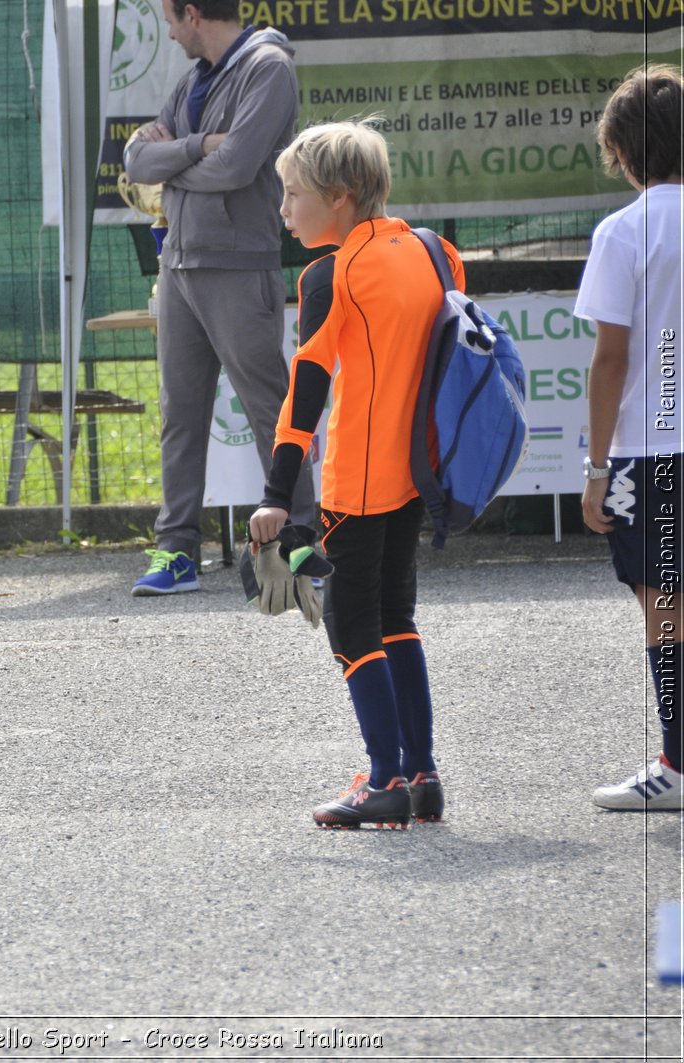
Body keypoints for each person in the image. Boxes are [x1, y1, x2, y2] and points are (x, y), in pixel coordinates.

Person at [249, 120, 463, 830]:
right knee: (396, 617)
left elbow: (305, 391)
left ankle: (383, 779)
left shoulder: (328, 274)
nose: (284, 209)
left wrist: (278, 496)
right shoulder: (436, 254)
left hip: (358, 482)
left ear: (339, 197)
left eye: (293, 193)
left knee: (349, 627)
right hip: (417, 476)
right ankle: (423, 775)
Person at [121, 0, 315, 597]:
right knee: (180, 416)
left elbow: (236, 168)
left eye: (170, 20)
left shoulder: (269, 67)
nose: (170, 32)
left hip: (237, 266)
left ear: (194, 12)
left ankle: (302, 547)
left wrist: (177, 158)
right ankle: (177, 549)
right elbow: (134, 158)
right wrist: (200, 146)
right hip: (177, 266)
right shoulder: (193, 79)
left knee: (271, 412)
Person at [576, 65, 684, 811]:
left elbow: (610, 359)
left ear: (621, 151)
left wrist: (594, 465)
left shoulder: (624, 231)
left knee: (664, 603)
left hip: (652, 448)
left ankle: (676, 765)